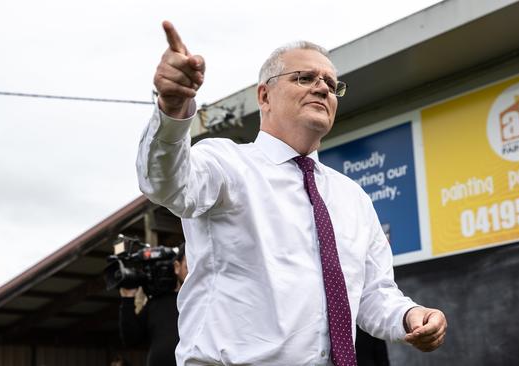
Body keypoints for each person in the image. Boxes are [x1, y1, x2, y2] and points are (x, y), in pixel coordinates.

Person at [136, 20, 447, 366]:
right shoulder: (225, 164)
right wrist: (172, 109)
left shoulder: (352, 197)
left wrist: (409, 315)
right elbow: (166, 183)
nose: (322, 88)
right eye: (305, 78)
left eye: (331, 83)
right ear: (264, 96)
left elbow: (373, 293)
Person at [119, 244, 188, 366]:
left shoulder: (208, 299)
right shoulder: (156, 303)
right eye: (189, 266)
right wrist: (127, 299)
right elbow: (131, 339)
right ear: (177, 267)